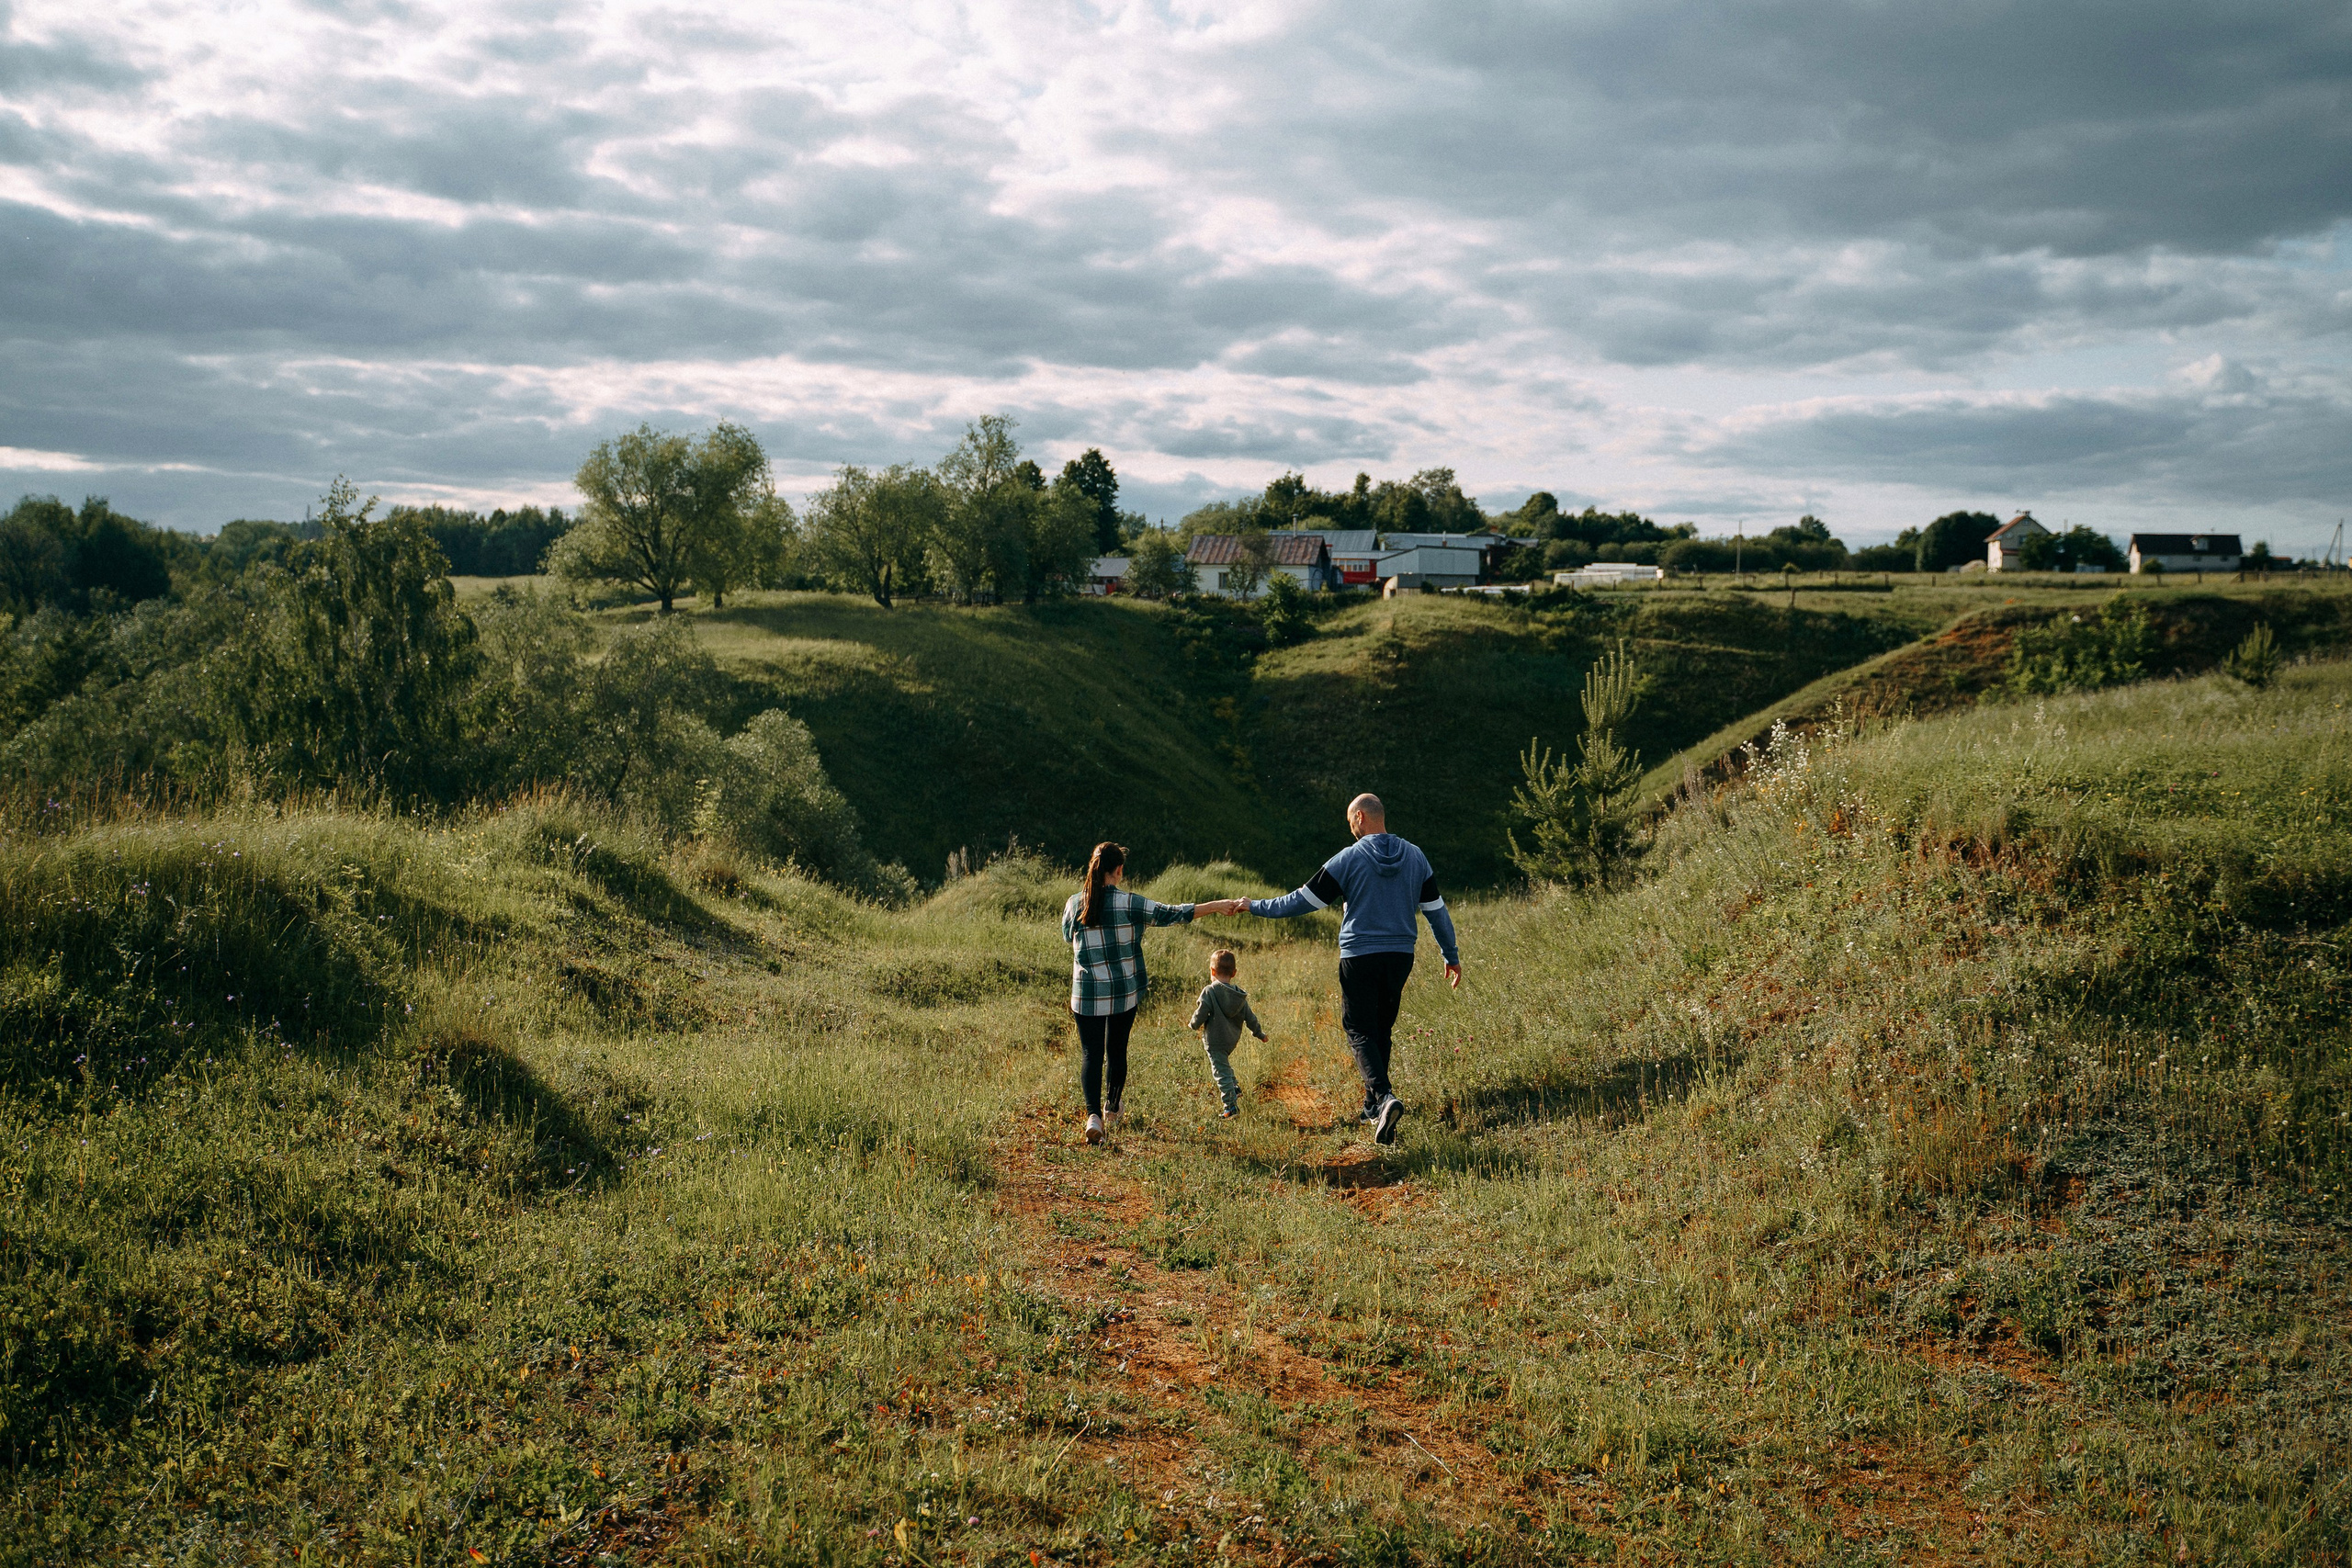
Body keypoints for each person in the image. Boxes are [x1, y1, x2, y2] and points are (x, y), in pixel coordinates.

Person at [1233, 794, 1458, 1145]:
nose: (1350, 828)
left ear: (1359, 818)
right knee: (1381, 1027)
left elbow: (1301, 900)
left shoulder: (1349, 858)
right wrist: (1451, 953)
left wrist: (1255, 906)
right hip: (1401, 955)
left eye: (1350, 821)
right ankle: (1372, 1106)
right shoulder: (1416, 856)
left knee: (1358, 1029)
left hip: (1360, 956)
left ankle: (1384, 1097)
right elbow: (1436, 910)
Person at [1060, 841, 1247, 1145]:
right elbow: (1173, 914)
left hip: (1087, 994)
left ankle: (1092, 1116)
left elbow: (1069, 936)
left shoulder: (1073, 904)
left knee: (1091, 1055)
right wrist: (1216, 905)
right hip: (1123, 994)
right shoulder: (1130, 903)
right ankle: (1111, 1106)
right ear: (1118, 871)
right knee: (1117, 1049)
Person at [1188, 948, 1267, 1119]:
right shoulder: (1238, 996)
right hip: (1231, 1041)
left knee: (1220, 1072)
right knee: (1224, 1065)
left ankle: (1231, 1108)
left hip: (1215, 1041)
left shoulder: (1209, 991)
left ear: (1212, 971)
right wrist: (1259, 1033)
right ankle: (1235, 1088)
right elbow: (1250, 1018)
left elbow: (1201, 1012)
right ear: (1234, 973)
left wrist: (1193, 1024)